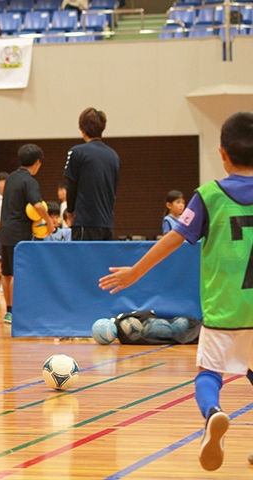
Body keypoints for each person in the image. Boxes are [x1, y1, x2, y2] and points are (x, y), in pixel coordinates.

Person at [99, 111, 253, 472]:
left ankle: (213, 412)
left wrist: (135, 272)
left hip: (224, 309)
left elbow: (172, 240)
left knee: (209, 374)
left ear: (222, 153)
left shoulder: (209, 196)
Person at [0, 144, 54, 323]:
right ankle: (18, 311)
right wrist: (49, 222)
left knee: (6, 274)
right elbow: (38, 205)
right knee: (17, 273)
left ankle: (9, 311)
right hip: (18, 233)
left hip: (5, 230)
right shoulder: (29, 181)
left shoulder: (11, 179)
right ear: (37, 162)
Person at [64, 107, 120, 241]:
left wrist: (70, 211)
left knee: (82, 262)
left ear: (82, 129)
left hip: (85, 222)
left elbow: (72, 186)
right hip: (107, 223)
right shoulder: (114, 156)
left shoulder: (77, 152)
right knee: (105, 262)